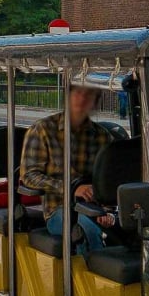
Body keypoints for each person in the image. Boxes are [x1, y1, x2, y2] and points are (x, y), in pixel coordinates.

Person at [20, 85, 115, 253]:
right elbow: (29, 175)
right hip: (59, 209)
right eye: (78, 92)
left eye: (89, 94)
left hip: (95, 206)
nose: (82, 98)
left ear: (95, 102)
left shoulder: (103, 136)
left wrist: (107, 210)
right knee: (85, 229)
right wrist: (72, 189)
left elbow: (110, 179)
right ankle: (89, 277)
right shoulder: (43, 129)